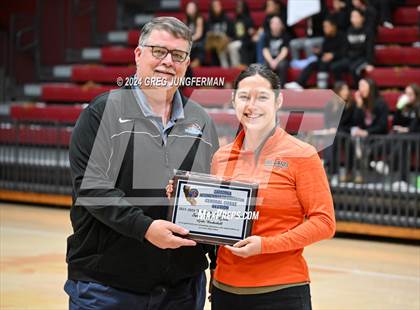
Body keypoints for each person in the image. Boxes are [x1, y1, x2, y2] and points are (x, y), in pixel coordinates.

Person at [65, 16, 219, 309]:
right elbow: (91, 189)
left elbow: (209, 195)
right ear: (138, 54)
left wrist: (218, 265)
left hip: (182, 289)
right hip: (107, 287)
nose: (167, 62)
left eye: (178, 55)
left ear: (187, 64)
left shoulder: (200, 120)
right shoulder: (102, 112)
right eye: (158, 51)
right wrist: (145, 228)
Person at [169, 64, 336, 309]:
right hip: (225, 289)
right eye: (244, 97)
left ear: (278, 101)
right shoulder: (221, 157)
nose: (252, 106)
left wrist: (265, 246)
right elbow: (213, 219)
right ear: (234, 101)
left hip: (281, 291)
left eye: (263, 97)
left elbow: (324, 222)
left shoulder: (303, 155)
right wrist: (182, 201)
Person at [285, 18, 346, 89]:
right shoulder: (327, 38)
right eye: (324, 26)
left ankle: (322, 87)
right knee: (312, 64)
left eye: (326, 26)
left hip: (337, 60)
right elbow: (324, 52)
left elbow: (344, 52)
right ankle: (299, 83)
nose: (324, 28)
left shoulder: (341, 36)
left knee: (324, 64)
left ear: (333, 26)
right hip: (326, 59)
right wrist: (319, 53)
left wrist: (333, 55)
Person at [349, 78, 389, 183]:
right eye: (359, 86)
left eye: (362, 86)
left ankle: (364, 176)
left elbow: (382, 125)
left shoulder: (381, 103)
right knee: (352, 141)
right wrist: (358, 105)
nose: (360, 89)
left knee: (364, 147)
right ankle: (354, 174)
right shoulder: (360, 103)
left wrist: (367, 132)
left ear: (370, 88)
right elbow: (355, 122)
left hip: (377, 137)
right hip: (363, 138)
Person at [330, 9, 375, 87]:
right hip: (351, 58)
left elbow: (370, 48)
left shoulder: (368, 31)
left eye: (356, 16)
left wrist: (369, 63)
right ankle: (341, 88)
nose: (354, 18)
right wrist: (345, 58)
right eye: (352, 16)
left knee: (354, 69)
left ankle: (358, 88)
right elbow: (345, 48)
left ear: (362, 18)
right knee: (335, 67)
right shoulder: (349, 31)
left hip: (362, 58)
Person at [205, 0, 234, 68]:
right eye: (215, 6)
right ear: (212, 8)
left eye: (218, 5)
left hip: (224, 43)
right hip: (213, 44)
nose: (217, 7)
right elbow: (207, 33)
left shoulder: (227, 19)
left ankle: (225, 67)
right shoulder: (209, 20)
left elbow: (231, 34)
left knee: (221, 46)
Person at [263, 16, 290, 87]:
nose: (276, 26)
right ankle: (267, 86)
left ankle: (280, 86)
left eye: (278, 23)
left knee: (282, 65)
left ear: (281, 25)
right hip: (270, 58)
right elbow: (265, 50)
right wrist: (271, 61)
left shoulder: (285, 36)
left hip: (280, 59)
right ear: (270, 25)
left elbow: (284, 51)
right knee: (264, 66)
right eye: (274, 23)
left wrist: (276, 61)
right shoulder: (266, 35)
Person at [227, 0, 256, 67]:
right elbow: (230, 33)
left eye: (240, 7)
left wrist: (252, 32)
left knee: (232, 47)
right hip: (236, 40)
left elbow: (251, 31)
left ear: (244, 7)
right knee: (227, 46)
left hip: (245, 41)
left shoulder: (248, 19)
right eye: (237, 7)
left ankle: (236, 66)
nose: (238, 8)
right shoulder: (234, 20)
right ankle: (231, 66)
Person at [184, 1, 206, 67]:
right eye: (188, 7)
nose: (189, 9)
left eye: (191, 7)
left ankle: (196, 63)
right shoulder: (186, 20)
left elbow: (199, 34)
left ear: (195, 9)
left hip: (199, 41)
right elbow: (184, 33)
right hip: (190, 41)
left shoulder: (199, 19)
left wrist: (189, 40)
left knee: (199, 47)